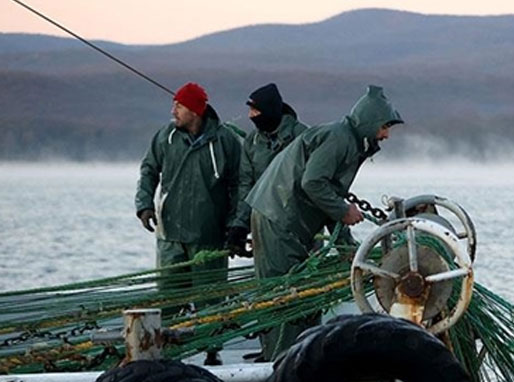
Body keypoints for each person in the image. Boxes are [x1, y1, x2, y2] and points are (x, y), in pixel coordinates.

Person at [245, 84, 404, 359]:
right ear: (369, 122)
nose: (386, 135)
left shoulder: (350, 142)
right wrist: (344, 211)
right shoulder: (339, 139)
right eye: (384, 126)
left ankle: (294, 356)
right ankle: (280, 361)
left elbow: (329, 191)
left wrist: (346, 248)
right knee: (284, 295)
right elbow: (313, 183)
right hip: (278, 217)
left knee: (299, 293)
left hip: (285, 218)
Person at [135, 82, 242, 294]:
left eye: (179, 106)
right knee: (169, 300)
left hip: (209, 238)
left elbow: (239, 185)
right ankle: (169, 327)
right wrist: (144, 205)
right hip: (170, 238)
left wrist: (235, 225)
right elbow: (149, 170)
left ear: (195, 111)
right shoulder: (166, 137)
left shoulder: (225, 141)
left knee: (209, 302)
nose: (173, 111)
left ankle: (208, 328)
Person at [226, 83, 306, 258]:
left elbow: (315, 182)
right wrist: (240, 226)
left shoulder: (302, 137)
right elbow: (247, 186)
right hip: (264, 226)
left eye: (255, 111)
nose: (250, 116)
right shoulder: (252, 142)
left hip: (301, 227)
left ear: (268, 110)